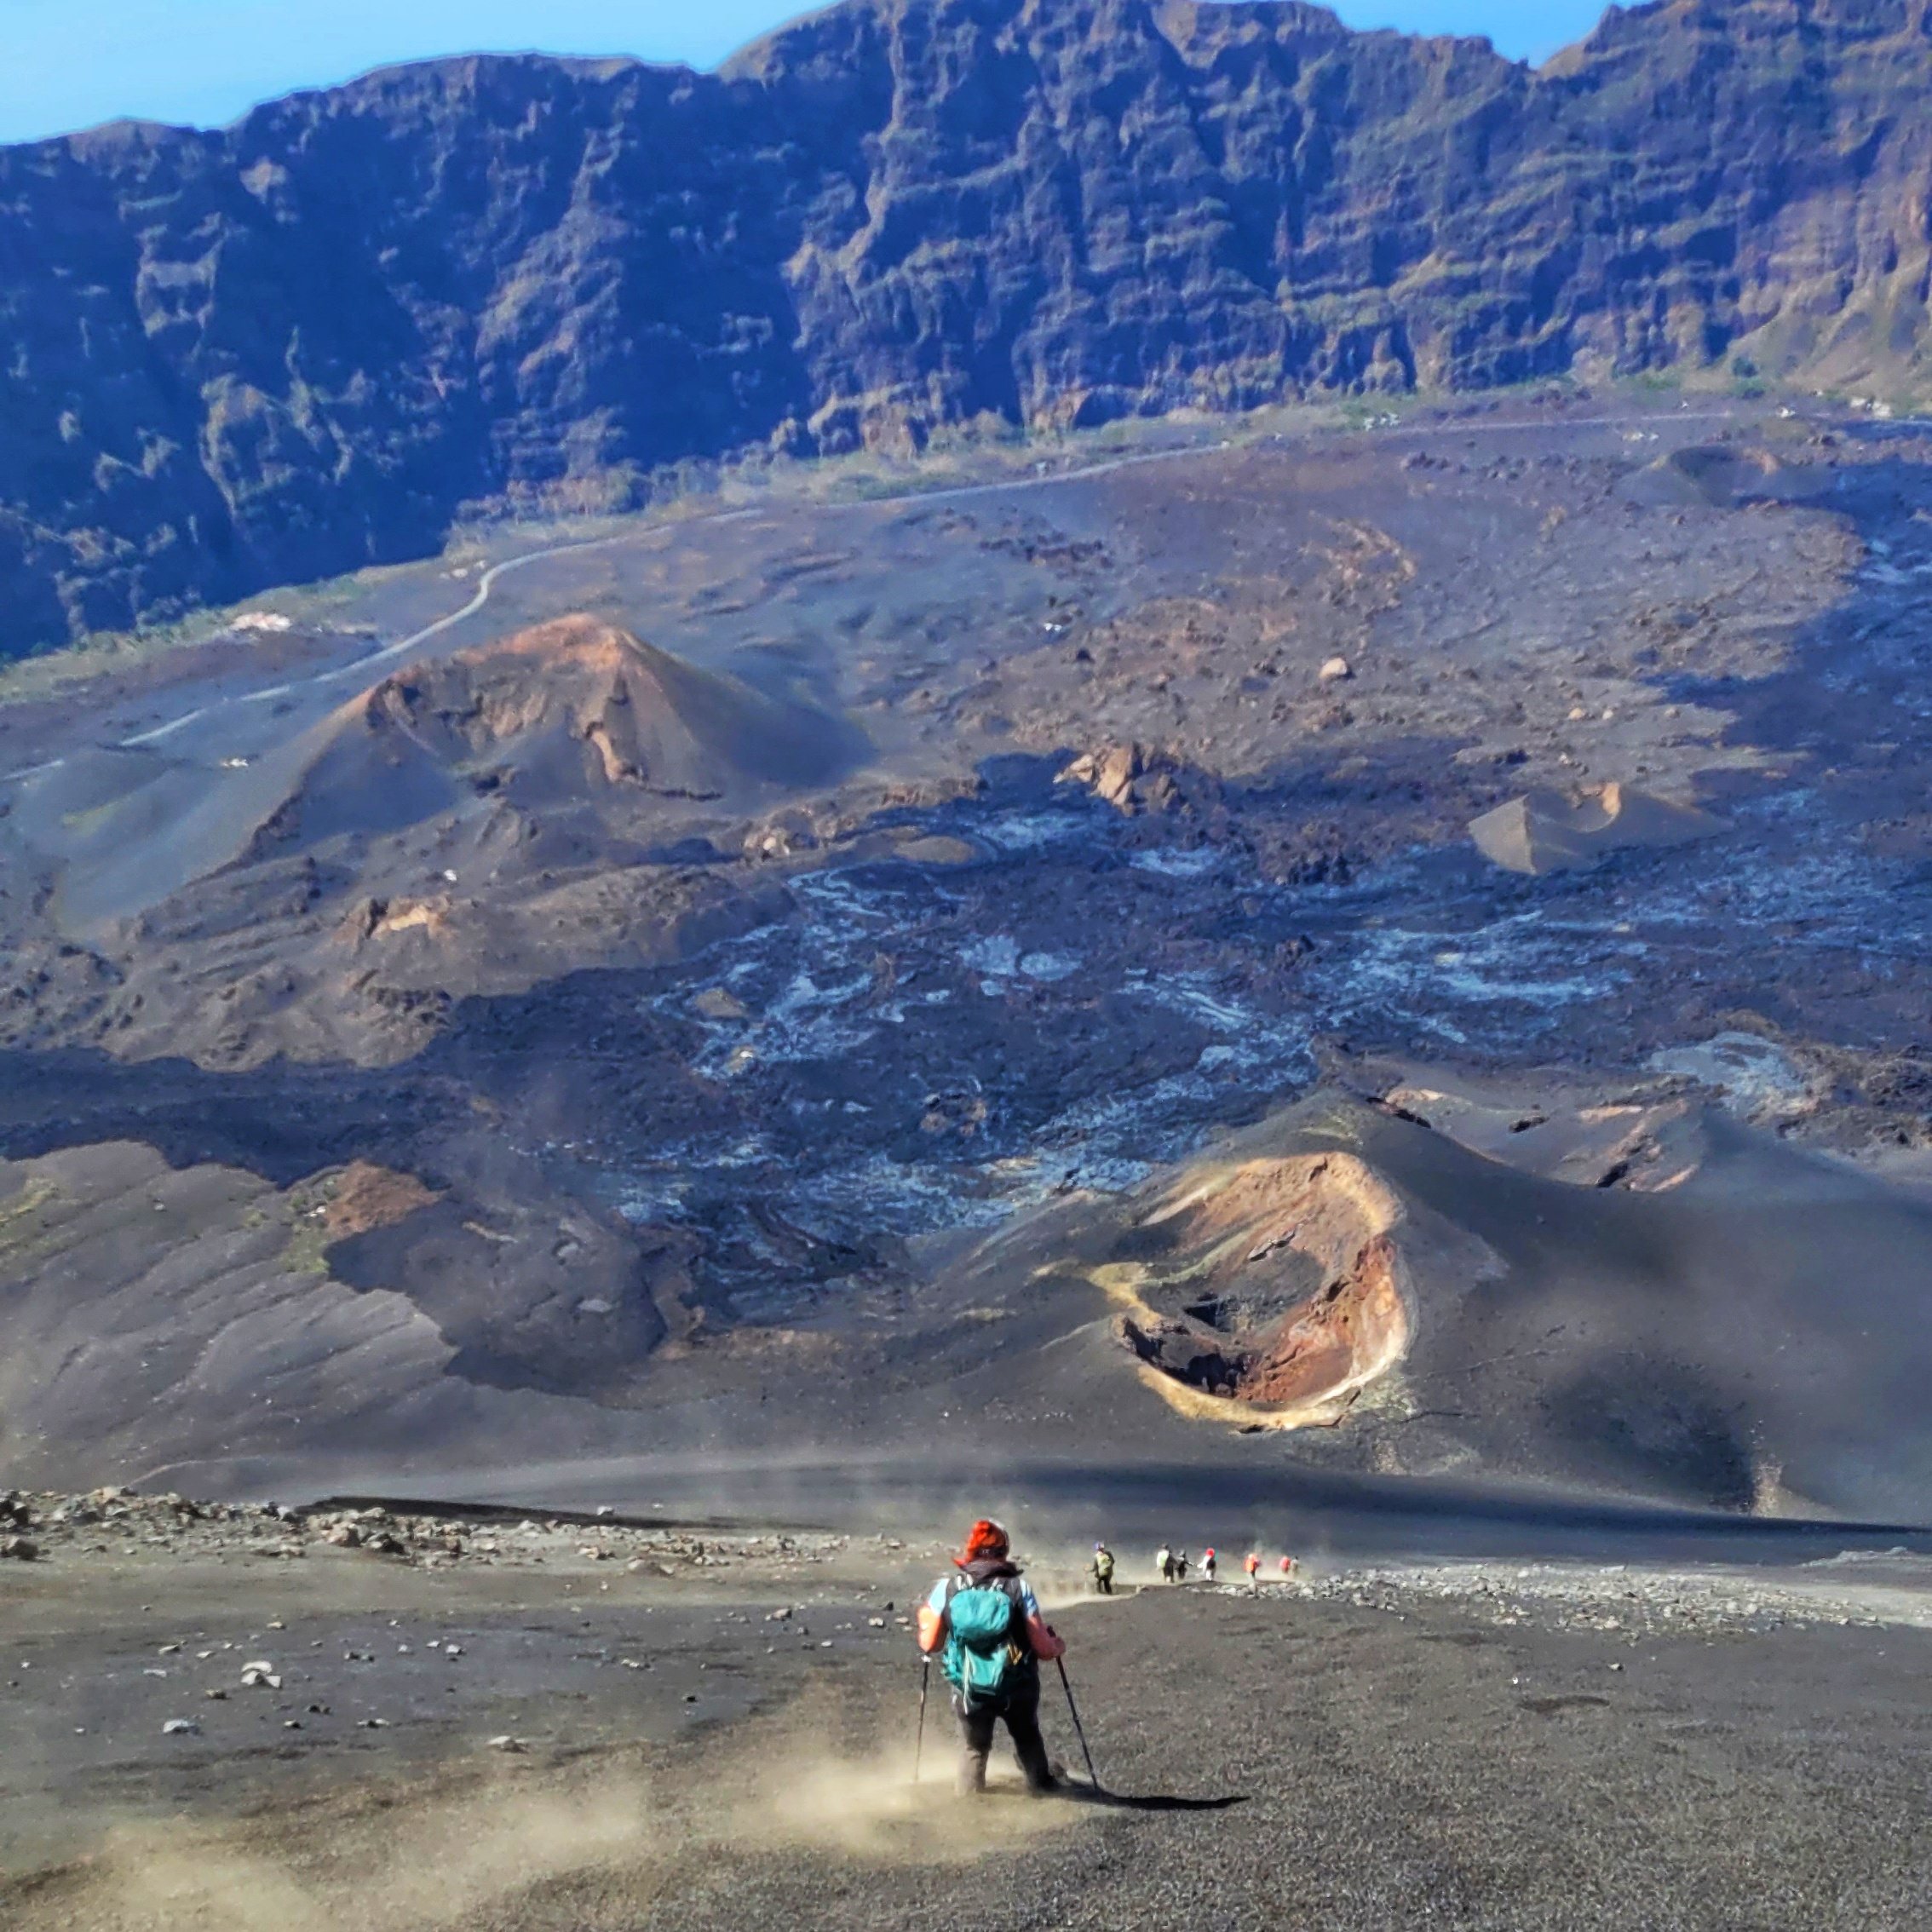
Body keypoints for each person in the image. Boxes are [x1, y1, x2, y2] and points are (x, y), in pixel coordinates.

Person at [917, 1518, 1064, 1797]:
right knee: (1026, 1736)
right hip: (1016, 1684)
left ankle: (969, 1804)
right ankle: (1042, 1790)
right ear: (1004, 1550)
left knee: (974, 1747)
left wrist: (924, 1622)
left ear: (969, 1549)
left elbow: (932, 1644)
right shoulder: (1018, 1589)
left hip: (969, 1686)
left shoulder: (947, 1589)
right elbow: (1044, 1649)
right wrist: (1058, 1646)